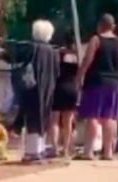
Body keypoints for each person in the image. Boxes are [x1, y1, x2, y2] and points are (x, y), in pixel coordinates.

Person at [0, 20, 60, 162]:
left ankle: (32, 152)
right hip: (49, 88)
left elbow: (14, 57)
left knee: (32, 118)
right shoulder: (54, 52)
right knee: (44, 118)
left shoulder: (32, 47)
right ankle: (40, 150)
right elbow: (57, 72)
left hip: (33, 87)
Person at [78, 14, 118, 160]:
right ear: (113, 26)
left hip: (96, 81)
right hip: (113, 83)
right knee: (109, 117)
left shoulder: (96, 40)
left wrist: (80, 75)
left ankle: (88, 151)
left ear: (100, 25)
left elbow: (88, 59)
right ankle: (108, 152)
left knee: (93, 116)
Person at [51, 28, 82, 158]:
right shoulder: (78, 55)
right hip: (72, 88)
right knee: (68, 121)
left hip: (58, 86)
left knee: (54, 120)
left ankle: (54, 148)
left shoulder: (58, 53)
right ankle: (65, 149)